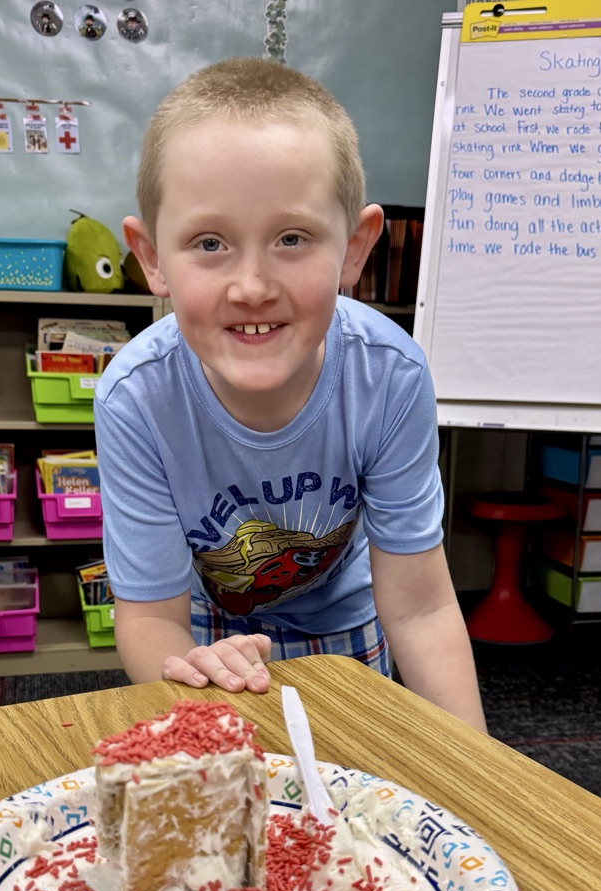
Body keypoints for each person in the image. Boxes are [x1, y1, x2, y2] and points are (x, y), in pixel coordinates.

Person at [94, 56, 487, 732]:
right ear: (152, 255)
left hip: (352, 626)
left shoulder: (390, 377)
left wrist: (483, 777)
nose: (252, 285)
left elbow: (420, 609)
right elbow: (150, 619)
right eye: (210, 242)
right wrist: (195, 669)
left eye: (292, 238)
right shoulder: (135, 399)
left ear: (354, 249)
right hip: (206, 633)